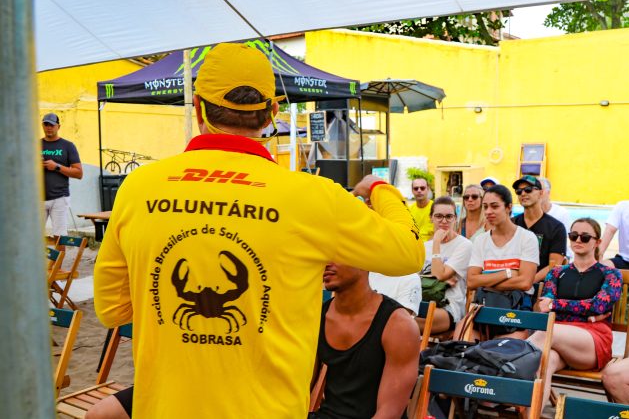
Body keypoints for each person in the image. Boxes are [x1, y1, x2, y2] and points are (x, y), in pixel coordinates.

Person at [92, 43, 424, 418]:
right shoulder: (312, 197)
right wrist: (381, 188)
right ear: (272, 113)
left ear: (198, 106)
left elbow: (113, 310)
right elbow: (409, 253)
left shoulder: (138, 187)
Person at [528, 217, 621, 410]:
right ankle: (530, 415)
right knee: (544, 362)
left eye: (585, 237)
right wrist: (576, 308)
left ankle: (507, 374)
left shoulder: (610, 274)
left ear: (598, 242)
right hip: (560, 339)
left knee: (543, 336)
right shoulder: (556, 272)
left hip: (592, 341)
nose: (578, 240)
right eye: (573, 235)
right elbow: (544, 306)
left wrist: (556, 304)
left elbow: (598, 306)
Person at [309, 263, 420, 419]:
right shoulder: (317, 317)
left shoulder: (399, 325)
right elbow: (300, 390)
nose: (327, 263)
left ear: (364, 260)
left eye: (339, 254)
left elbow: (389, 413)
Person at [458, 184, 538, 339]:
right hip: (485, 306)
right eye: (485, 207)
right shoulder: (481, 240)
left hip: (516, 309)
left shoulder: (527, 238)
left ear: (508, 207)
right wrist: (507, 273)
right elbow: (472, 281)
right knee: (461, 337)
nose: (488, 212)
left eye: (494, 207)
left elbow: (525, 283)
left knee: (502, 353)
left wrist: (486, 282)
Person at [419, 196, 472, 334]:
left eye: (449, 216)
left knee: (401, 322)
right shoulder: (423, 247)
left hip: (449, 307)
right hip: (420, 302)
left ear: (455, 218)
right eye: (439, 216)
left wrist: (436, 243)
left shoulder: (464, 245)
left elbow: (439, 275)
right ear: (431, 218)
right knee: (394, 316)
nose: (444, 221)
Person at [511, 175, 566, 283]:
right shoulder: (512, 223)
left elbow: (554, 264)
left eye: (528, 190)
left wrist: (527, 282)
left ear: (541, 193)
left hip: (539, 286)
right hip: (510, 282)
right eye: (519, 191)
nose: (523, 194)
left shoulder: (556, 227)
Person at [41, 112, 83, 238]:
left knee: (60, 237)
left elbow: (79, 173)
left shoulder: (67, 146)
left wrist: (57, 167)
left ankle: (59, 259)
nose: (49, 127)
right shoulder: (34, 144)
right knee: (32, 235)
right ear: (42, 126)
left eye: (52, 125)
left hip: (59, 198)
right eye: (46, 124)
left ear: (58, 127)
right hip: (37, 198)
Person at [539, 177, 573, 260]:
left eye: (541, 190)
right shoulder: (527, 215)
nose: (537, 193)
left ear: (548, 192)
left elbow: (564, 241)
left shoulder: (561, 213)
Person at [599, 200, 629, 269]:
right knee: (599, 268)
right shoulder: (623, 206)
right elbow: (610, 230)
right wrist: (599, 256)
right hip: (624, 260)